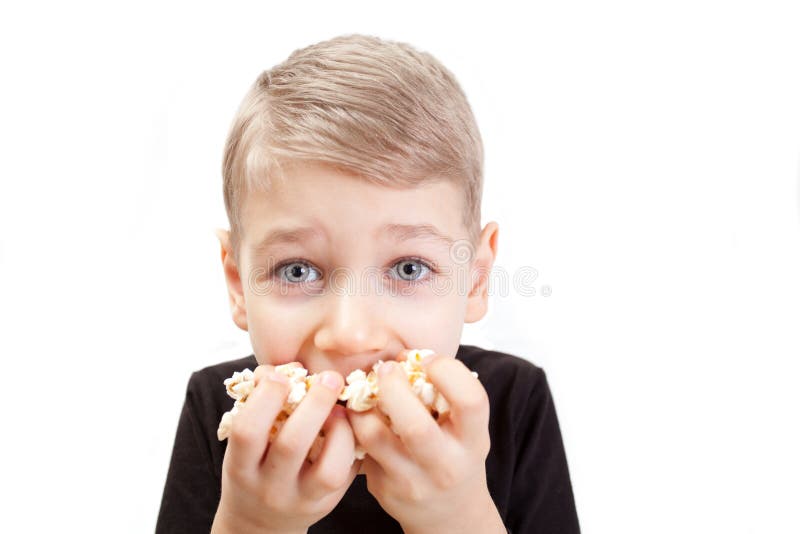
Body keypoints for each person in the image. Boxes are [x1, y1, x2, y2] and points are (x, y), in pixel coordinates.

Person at [156, 33, 580, 534]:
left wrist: (459, 517)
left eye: (408, 268)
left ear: (475, 279)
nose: (352, 335)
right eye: (297, 270)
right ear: (238, 285)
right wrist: (250, 523)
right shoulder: (222, 415)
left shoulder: (513, 403)